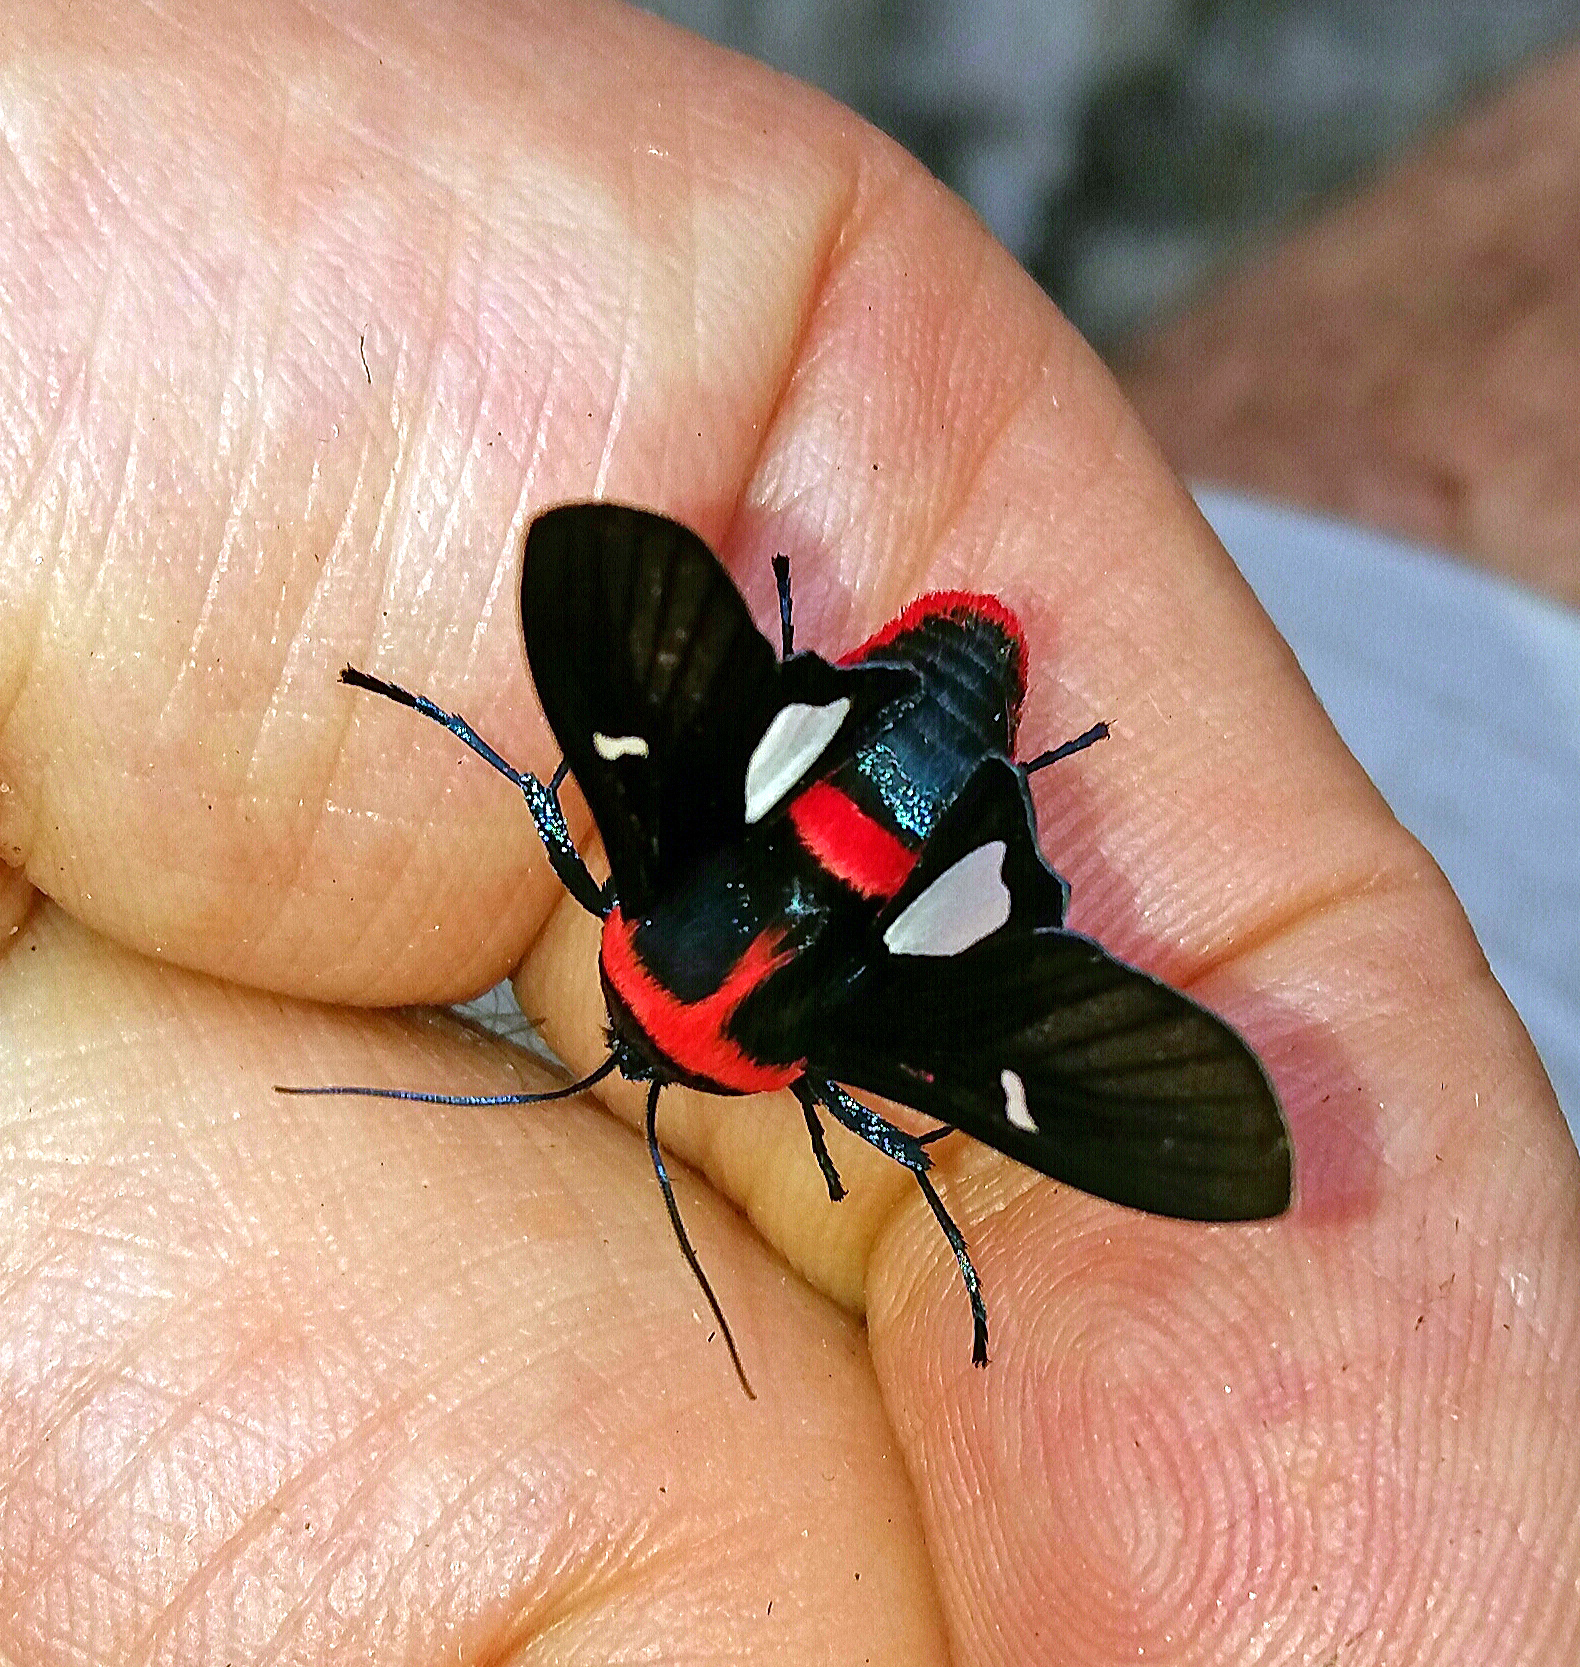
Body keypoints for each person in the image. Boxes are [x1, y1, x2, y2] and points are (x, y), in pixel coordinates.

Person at [0, 4, 1574, 1661]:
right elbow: (595, 658)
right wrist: (507, 747)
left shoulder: (832, 1060)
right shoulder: (642, 887)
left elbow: (968, 1084)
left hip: (946, 775)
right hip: (894, 702)